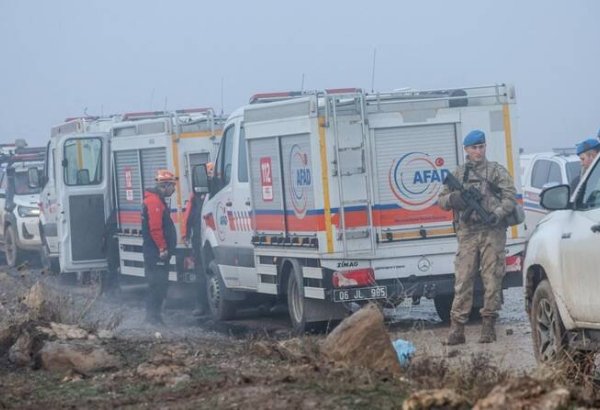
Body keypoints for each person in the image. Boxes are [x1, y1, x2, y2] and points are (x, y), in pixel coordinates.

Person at [438, 130, 517, 345]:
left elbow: (510, 197)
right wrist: (455, 198)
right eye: (474, 147)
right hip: (468, 233)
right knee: (463, 280)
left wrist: (498, 213)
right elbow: (441, 200)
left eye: (481, 147)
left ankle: (488, 327)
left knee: (492, 279)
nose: (478, 151)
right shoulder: (459, 173)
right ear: (466, 149)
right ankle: (457, 330)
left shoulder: (496, 171)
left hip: (492, 231)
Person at [141, 169, 178, 325]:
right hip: (155, 252)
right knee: (157, 285)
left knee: (159, 285)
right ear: (165, 185)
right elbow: (155, 228)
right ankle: (152, 317)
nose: (173, 189)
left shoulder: (156, 200)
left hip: (155, 251)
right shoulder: (154, 202)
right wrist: (162, 248)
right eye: (172, 186)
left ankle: (154, 317)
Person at [181, 163, 212, 316]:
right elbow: (188, 217)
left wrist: (186, 234)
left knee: (206, 272)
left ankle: (204, 305)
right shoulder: (197, 197)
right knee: (201, 273)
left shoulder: (216, 192)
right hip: (200, 240)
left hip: (210, 239)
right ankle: (201, 304)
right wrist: (186, 234)